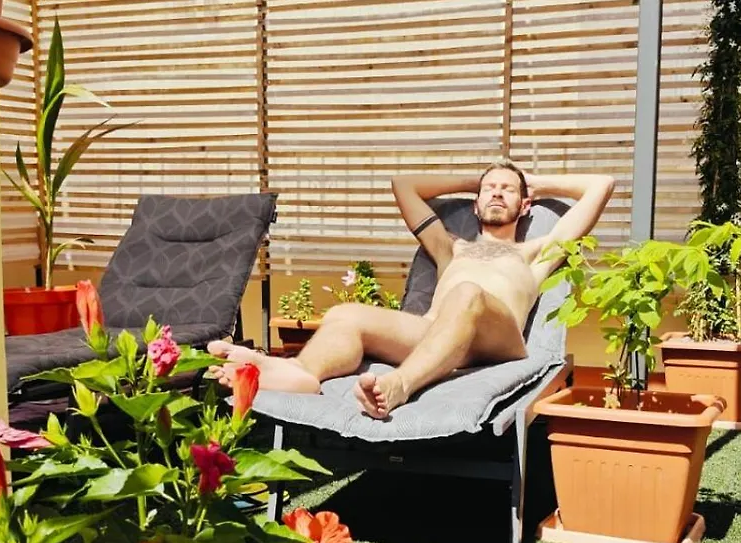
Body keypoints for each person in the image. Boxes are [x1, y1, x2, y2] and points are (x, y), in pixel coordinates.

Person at [209, 159, 614, 419]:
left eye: (507, 190)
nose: (496, 193)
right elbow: (404, 185)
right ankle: (301, 372)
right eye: (488, 189)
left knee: (467, 293)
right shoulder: (450, 247)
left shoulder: (537, 251)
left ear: (525, 206)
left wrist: (530, 182)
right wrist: (478, 179)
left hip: (497, 337)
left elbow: (602, 183)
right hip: (437, 333)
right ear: (475, 204)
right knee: (345, 314)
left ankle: (400, 385)